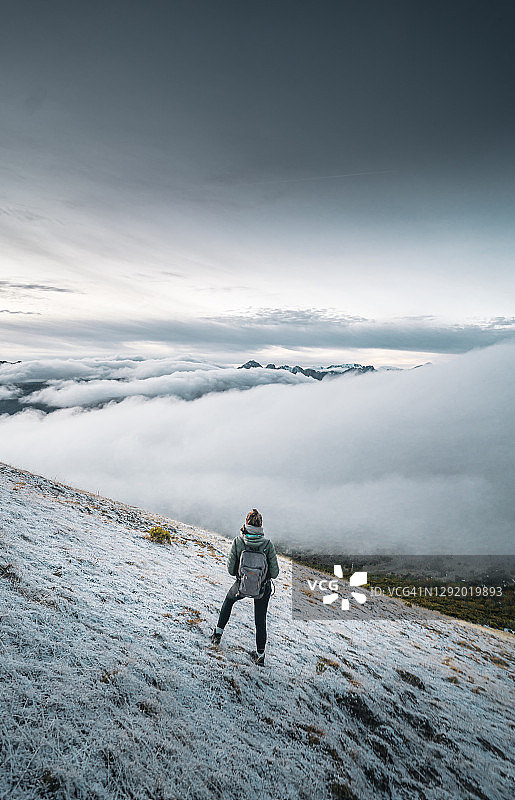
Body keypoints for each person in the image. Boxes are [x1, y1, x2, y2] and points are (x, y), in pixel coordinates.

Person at [211, 508, 279, 665]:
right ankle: (260, 656)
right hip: (261, 588)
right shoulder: (268, 545)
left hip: (241, 584)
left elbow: (230, 570)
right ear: (261, 525)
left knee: (228, 601)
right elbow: (274, 574)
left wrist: (243, 576)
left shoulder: (238, 542)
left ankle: (217, 636)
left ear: (246, 523)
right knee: (260, 620)